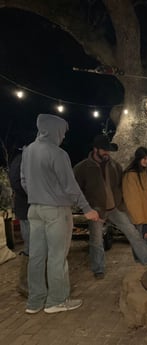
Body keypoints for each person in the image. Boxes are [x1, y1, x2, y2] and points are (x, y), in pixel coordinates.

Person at [20, 113, 99, 314]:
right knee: (57, 257)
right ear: (55, 130)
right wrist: (87, 209)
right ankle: (57, 300)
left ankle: (35, 302)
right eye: (62, 132)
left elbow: (23, 181)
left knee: (36, 257)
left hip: (34, 209)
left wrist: (38, 194)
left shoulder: (28, 151)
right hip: (56, 211)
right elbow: (70, 186)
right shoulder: (58, 154)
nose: (63, 137)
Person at [73, 135, 147, 279]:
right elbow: (76, 190)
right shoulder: (83, 168)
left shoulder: (115, 165)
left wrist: (121, 203)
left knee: (132, 232)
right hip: (96, 210)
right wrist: (87, 207)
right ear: (95, 149)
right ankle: (98, 268)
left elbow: (119, 186)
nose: (107, 153)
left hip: (114, 208)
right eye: (104, 150)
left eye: (108, 150)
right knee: (96, 240)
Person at [8, 134, 35, 296]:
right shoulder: (20, 160)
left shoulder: (28, 159)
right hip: (25, 210)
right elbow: (16, 183)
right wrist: (34, 194)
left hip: (31, 208)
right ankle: (24, 284)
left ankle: (32, 281)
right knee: (31, 246)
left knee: (34, 246)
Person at [122, 147, 147, 250]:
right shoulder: (130, 175)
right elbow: (132, 199)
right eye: (144, 158)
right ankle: (141, 258)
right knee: (138, 239)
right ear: (138, 159)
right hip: (139, 215)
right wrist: (138, 216)